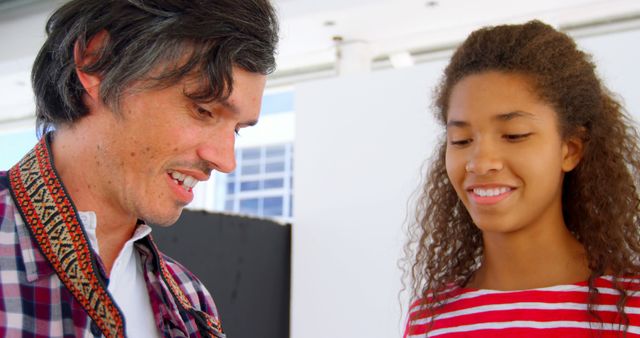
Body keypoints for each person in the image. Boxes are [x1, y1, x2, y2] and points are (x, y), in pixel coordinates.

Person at [0, 0, 278, 337]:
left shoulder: (192, 305)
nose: (225, 160)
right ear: (98, 61)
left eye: (236, 130)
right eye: (203, 110)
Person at [403, 20, 640, 337]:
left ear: (569, 150)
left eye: (514, 136)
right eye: (461, 140)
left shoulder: (630, 309)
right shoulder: (429, 319)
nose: (480, 162)